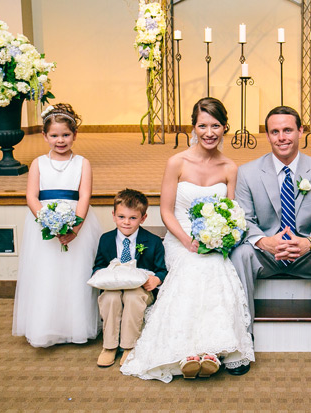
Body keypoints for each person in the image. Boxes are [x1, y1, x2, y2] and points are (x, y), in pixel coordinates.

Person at [121, 97, 254, 383]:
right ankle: (194, 351)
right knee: (195, 267)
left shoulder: (231, 168)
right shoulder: (176, 162)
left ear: (225, 128)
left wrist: (220, 238)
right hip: (179, 239)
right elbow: (166, 211)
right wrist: (186, 240)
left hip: (214, 243)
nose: (209, 132)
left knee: (213, 267)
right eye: (203, 125)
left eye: (216, 125)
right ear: (193, 127)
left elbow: (232, 214)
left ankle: (205, 352)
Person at [231, 106, 311, 377]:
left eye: (287, 130)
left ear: (301, 131)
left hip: (305, 251)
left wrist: (310, 242)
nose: (281, 137)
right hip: (266, 253)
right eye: (275, 132)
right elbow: (244, 220)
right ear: (268, 135)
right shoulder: (248, 172)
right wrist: (264, 242)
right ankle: (244, 340)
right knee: (240, 254)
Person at [12, 103, 102, 347]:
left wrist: (75, 228)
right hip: (43, 223)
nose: (60, 140)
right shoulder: (37, 163)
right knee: (47, 273)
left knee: (75, 272)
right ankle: (46, 326)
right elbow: (31, 196)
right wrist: (47, 222)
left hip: (76, 221)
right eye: (54, 135)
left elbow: (84, 196)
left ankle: (76, 326)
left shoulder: (82, 163)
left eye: (65, 135)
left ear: (74, 135)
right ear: (44, 136)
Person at [93, 189, 167, 367]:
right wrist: (102, 275)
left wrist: (156, 279)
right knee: (110, 298)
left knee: (132, 298)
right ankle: (109, 346)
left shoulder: (153, 241)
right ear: (113, 215)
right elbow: (98, 266)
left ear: (143, 218)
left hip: (140, 291)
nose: (126, 222)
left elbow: (162, 270)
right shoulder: (106, 239)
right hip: (113, 288)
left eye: (133, 218)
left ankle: (129, 346)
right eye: (121, 217)